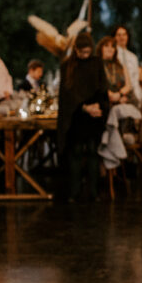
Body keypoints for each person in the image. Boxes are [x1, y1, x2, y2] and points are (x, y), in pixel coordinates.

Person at [56, 32, 108, 202]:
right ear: (76, 50)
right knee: (76, 152)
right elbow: (67, 94)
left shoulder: (96, 63)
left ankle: (94, 192)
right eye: (82, 52)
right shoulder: (67, 66)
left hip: (94, 115)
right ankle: (74, 192)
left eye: (87, 52)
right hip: (76, 115)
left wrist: (98, 107)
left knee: (93, 152)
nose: (85, 56)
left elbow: (102, 87)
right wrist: (84, 107)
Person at [98, 36, 135, 106]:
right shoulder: (96, 65)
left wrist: (119, 94)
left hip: (122, 99)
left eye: (112, 47)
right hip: (104, 101)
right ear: (101, 48)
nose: (110, 49)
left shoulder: (121, 66)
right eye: (106, 46)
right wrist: (110, 95)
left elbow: (128, 86)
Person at [114, 25, 142, 107]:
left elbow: (135, 80)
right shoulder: (113, 55)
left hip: (132, 96)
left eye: (124, 34)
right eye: (119, 35)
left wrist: (138, 98)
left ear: (128, 37)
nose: (122, 37)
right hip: (118, 94)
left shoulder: (133, 57)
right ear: (114, 37)